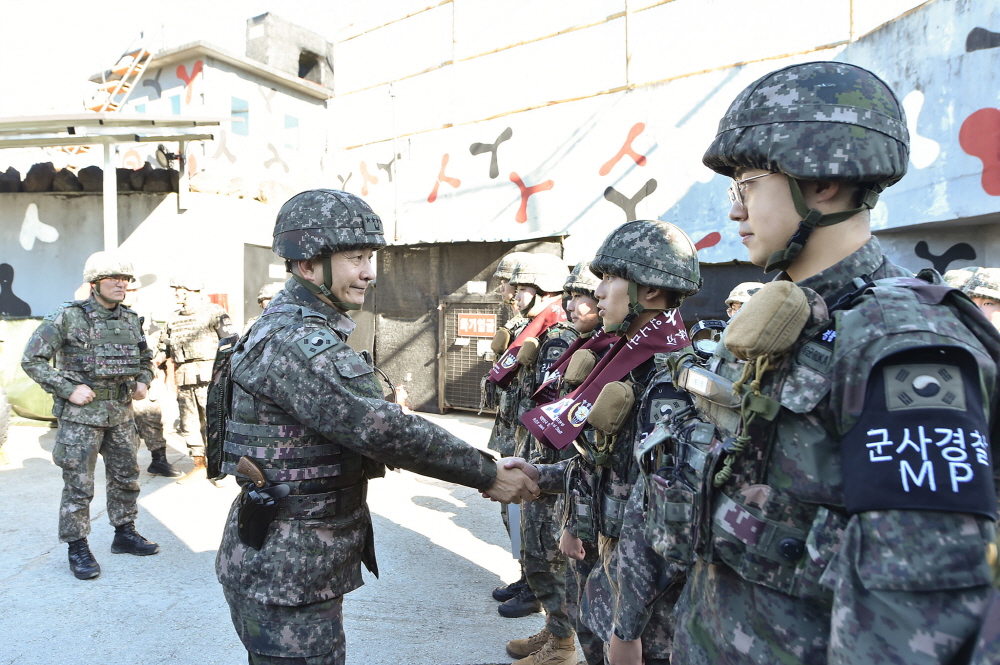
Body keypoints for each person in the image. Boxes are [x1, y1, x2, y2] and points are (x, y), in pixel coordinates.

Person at [640, 61, 999, 665]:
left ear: (822, 181)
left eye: (747, 184)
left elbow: (915, 621)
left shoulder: (900, 343)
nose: (735, 211)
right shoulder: (784, 321)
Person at [215, 188, 540, 665]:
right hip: (288, 567)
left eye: (370, 256)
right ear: (307, 265)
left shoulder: (300, 328)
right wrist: (488, 473)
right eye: (355, 258)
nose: (370, 271)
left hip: (293, 560)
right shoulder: (299, 342)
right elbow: (385, 430)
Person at [510, 220, 702, 665]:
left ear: (650, 292)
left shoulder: (670, 380)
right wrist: (545, 480)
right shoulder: (621, 361)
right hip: (604, 565)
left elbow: (663, 507)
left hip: (641, 597)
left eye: (610, 278)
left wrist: (629, 624)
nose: (597, 292)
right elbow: (600, 463)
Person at [21, 251, 160, 580]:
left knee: (126, 477)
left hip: (122, 414)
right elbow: (32, 360)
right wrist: (67, 389)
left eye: (125, 279)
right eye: (113, 278)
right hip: (81, 417)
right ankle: (77, 546)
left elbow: (145, 357)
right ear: (94, 283)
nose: (121, 284)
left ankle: (124, 533)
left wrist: (144, 379)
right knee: (78, 485)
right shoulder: (67, 317)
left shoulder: (131, 319)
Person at [500, 254, 581, 662]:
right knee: (535, 550)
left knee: (550, 556)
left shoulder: (565, 339)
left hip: (560, 465)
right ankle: (555, 631)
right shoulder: (562, 337)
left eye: (581, 295)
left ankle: (563, 642)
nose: (512, 295)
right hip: (541, 456)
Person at [483, 251, 542, 605]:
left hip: (532, 439)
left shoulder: (551, 331)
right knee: (513, 514)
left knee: (527, 513)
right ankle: (526, 575)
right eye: (510, 285)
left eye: (517, 286)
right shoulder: (521, 326)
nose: (509, 292)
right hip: (513, 432)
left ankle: (535, 584)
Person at [162, 274, 237, 481]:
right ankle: (199, 464)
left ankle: (223, 469)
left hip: (210, 377)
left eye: (178, 288)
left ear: (188, 290)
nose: (176, 292)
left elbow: (231, 343)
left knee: (217, 422)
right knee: (189, 424)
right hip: (184, 378)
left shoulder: (215, 313)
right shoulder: (174, 318)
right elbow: (165, 347)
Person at [124, 277, 181, 477]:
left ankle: (159, 460)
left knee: (151, 416)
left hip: (141, 376)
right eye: (130, 290)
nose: (132, 293)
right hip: (118, 378)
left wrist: (156, 359)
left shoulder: (140, 316)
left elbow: (154, 339)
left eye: (134, 290)